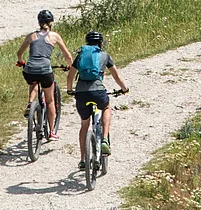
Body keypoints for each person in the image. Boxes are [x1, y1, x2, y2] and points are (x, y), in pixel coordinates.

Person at [71, 30, 129, 173]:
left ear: (87, 43)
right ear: (101, 43)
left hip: (81, 93)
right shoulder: (105, 56)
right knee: (106, 107)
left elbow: (70, 76)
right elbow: (116, 76)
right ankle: (104, 139)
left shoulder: (80, 56)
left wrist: (70, 90)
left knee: (84, 125)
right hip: (98, 92)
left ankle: (83, 160)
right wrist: (124, 89)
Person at [14, 10, 72, 139]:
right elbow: (67, 55)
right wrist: (69, 66)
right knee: (50, 101)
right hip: (45, 70)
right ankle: (51, 132)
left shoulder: (31, 36)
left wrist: (21, 61)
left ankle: (30, 103)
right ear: (51, 22)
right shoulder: (54, 36)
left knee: (33, 82)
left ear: (38, 22)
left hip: (30, 69)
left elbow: (19, 53)